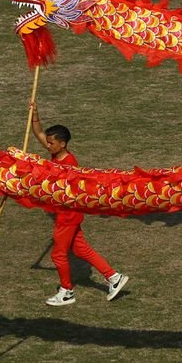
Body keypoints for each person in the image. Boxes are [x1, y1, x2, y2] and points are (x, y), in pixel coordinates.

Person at [30, 102, 129, 306]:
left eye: (51, 143)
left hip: (67, 216)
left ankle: (67, 291)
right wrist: (35, 114)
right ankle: (114, 277)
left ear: (62, 144)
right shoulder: (57, 155)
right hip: (67, 215)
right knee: (82, 250)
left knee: (58, 254)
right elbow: (38, 132)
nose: (47, 146)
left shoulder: (69, 166)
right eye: (47, 143)